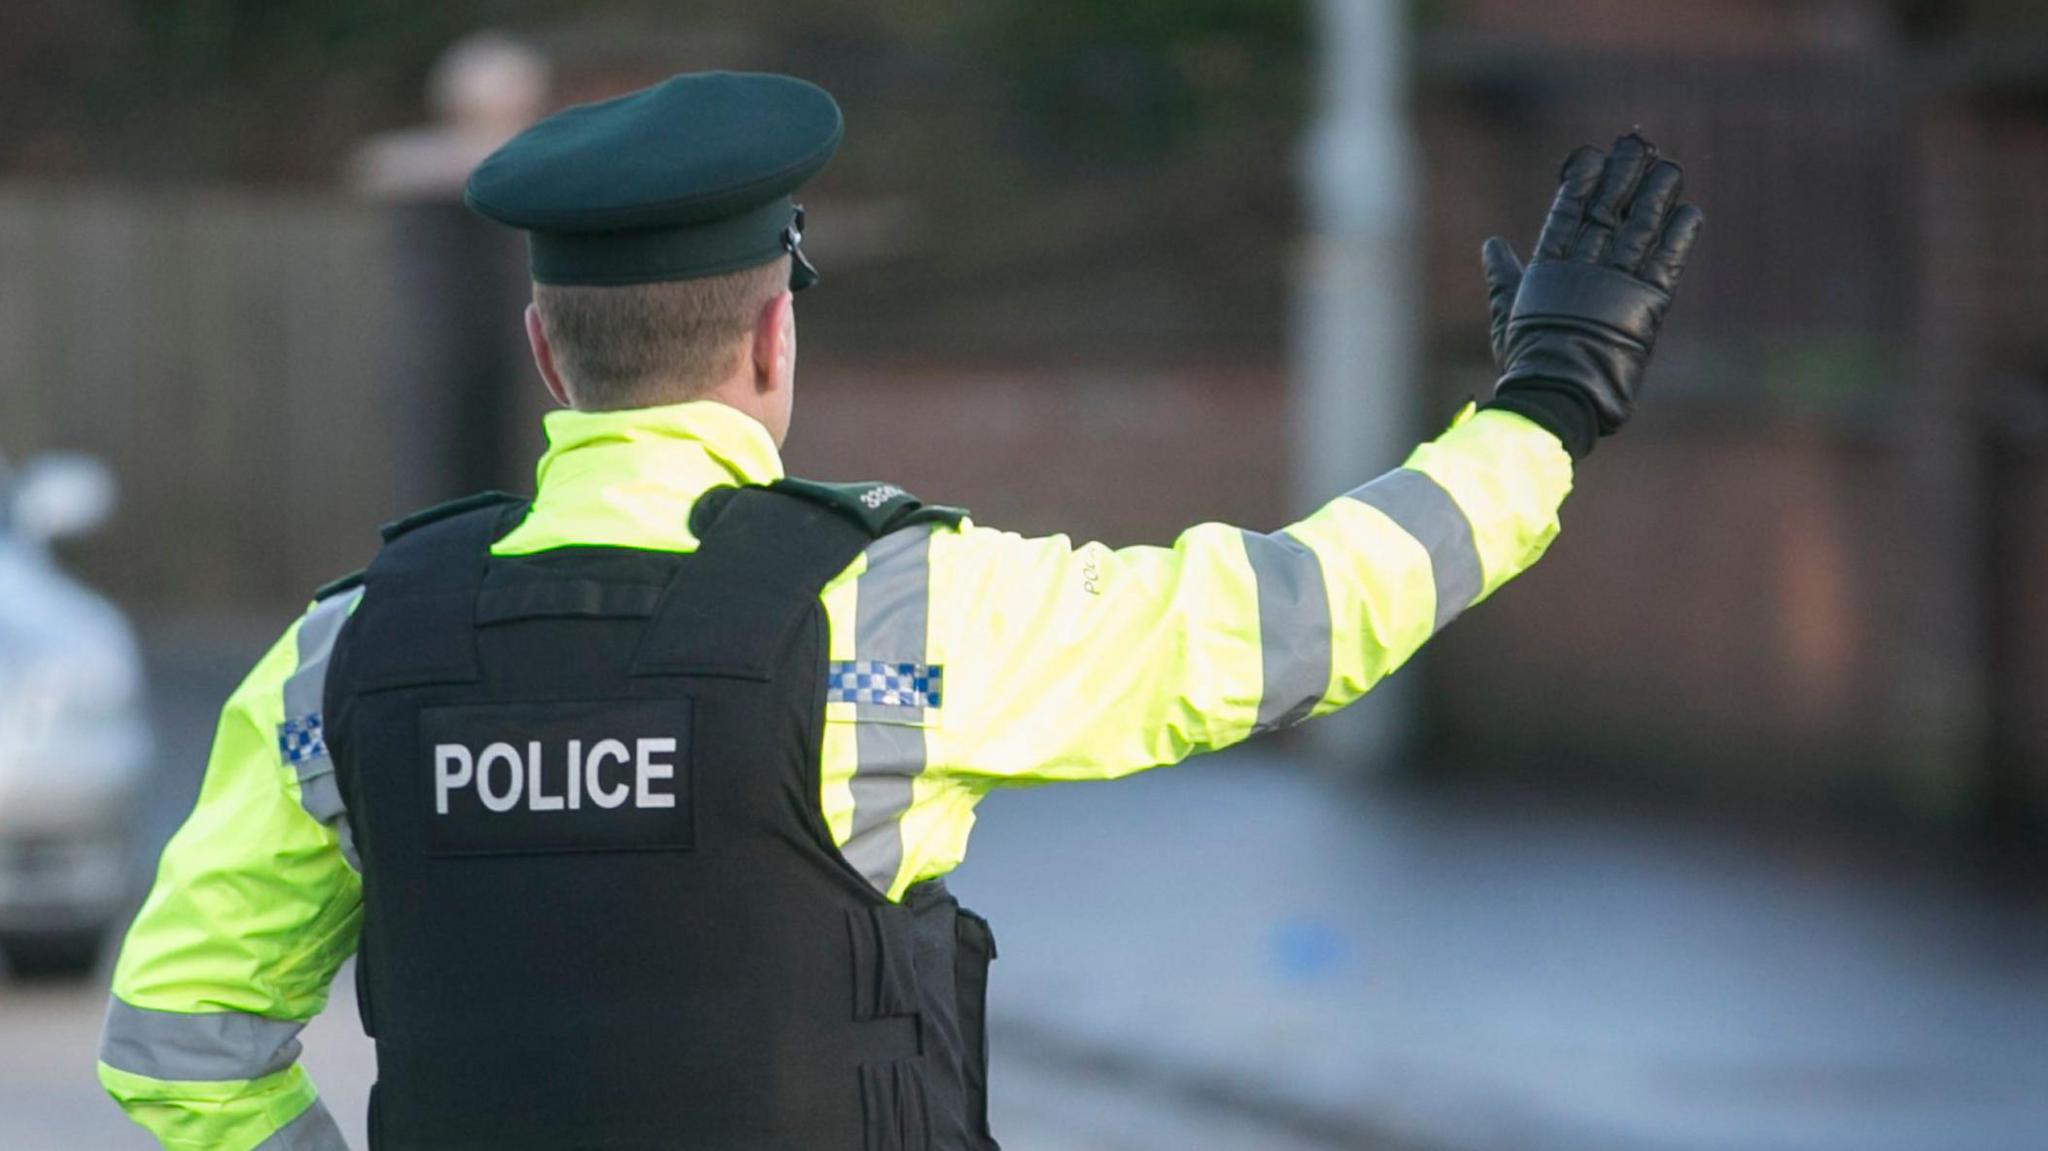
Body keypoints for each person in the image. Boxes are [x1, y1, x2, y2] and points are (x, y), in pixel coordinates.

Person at [98, 72, 1701, 1151]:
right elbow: (1288, 621)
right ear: (774, 340)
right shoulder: (895, 613)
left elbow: (177, 1036)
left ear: (544, 351)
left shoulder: (348, 647)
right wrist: (1543, 409)